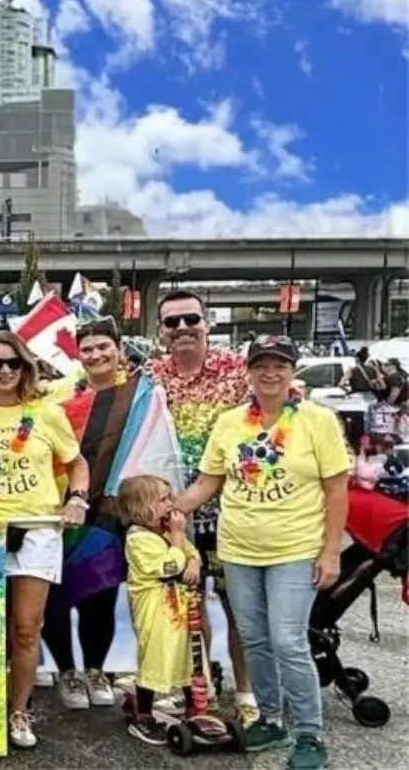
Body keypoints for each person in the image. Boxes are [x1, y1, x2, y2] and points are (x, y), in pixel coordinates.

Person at [176, 336, 350, 770]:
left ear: (293, 371)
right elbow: (209, 482)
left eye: (280, 365)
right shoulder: (230, 422)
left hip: (295, 548)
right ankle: (271, 719)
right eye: (261, 365)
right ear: (248, 372)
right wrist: (168, 507)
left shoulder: (318, 420)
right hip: (238, 548)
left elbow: (337, 488)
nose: (270, 373)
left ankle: (309, 733)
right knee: (253, 638)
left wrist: (331, 552)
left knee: (288, 641)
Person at [0, 330, 90, 750]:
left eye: (13, 363)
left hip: (37, 530)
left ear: (25, 366)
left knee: (26, 630)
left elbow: (76, 463)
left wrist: (77, 499)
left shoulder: (45, 413)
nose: (5, 371)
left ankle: (18, 710)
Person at [148, 289, 255, 721]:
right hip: (177, 514)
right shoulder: (150, 377)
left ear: (206, 323)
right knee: (188, 606)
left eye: (190, 319)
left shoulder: (241, 371)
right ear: (160, 332)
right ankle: (201, 687)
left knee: (239, 608)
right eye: (172, 323)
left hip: (235, 513)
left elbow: (287, 412)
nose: (182, 329)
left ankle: (247, 696)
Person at [42, 318, 130, 711]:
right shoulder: (58, 395)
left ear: (118, 349)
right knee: (55, 596)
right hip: (64, 505)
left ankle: (95, 669)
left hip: (112, 510)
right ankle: (66, 672)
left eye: (103, 347)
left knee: (101, 593)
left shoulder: (138, 396)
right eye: (88, 349)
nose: (95, 355)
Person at [117, 475, 202, 745]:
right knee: (155, 658)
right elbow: (168, 567)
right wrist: (178, 539)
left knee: (188, 657)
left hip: (180, 610)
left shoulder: (164, 532)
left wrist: (195, 563)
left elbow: (191, 553)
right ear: (141, 508)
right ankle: (143, 714)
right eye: (163, 499)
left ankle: (195, 708)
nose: (171, 504)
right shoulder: (138, 539)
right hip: (155, 613)